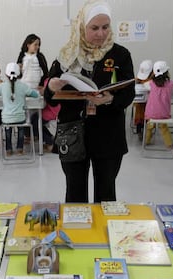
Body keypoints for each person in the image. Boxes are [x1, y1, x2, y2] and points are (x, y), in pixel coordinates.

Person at [44, 0, 135, 203]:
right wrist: (52, 87)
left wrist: (111, 99)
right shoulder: (66, 56)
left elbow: (129, 93)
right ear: (81, 27)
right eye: (94, 28)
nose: (101, 34)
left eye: (105, 27)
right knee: (75, 194)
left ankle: (103, 234)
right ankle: (78, 234)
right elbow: (49, 98)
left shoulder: (120, 55)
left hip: (108, 134)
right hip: (72, 134)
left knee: (106, 195)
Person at [0, 62, 39, 156]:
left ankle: (8, 150)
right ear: (19, 74)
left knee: (8, 131)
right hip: (20, 117)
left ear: (6, 74)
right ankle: (20, 149)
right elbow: (35, 95)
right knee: (21, 129)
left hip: (6, 118)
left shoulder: (2, 86)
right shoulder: (23, 86)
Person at [144, 61, 173, 149]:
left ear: (154, 73)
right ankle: (169, 145)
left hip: (151, 114)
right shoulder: (171, 84)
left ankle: (146, 141)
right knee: (164, 127)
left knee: (150, 126)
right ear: (166, 73)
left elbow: (144, 85)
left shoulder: (150, 83)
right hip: (164, 114)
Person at [134, 60, 153, 141]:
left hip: (151, 102)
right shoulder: (139, 77)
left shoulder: (154, 78)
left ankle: (148, 129)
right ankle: (139, 129)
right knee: (139, 108)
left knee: (149, 110)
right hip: (140, 101)